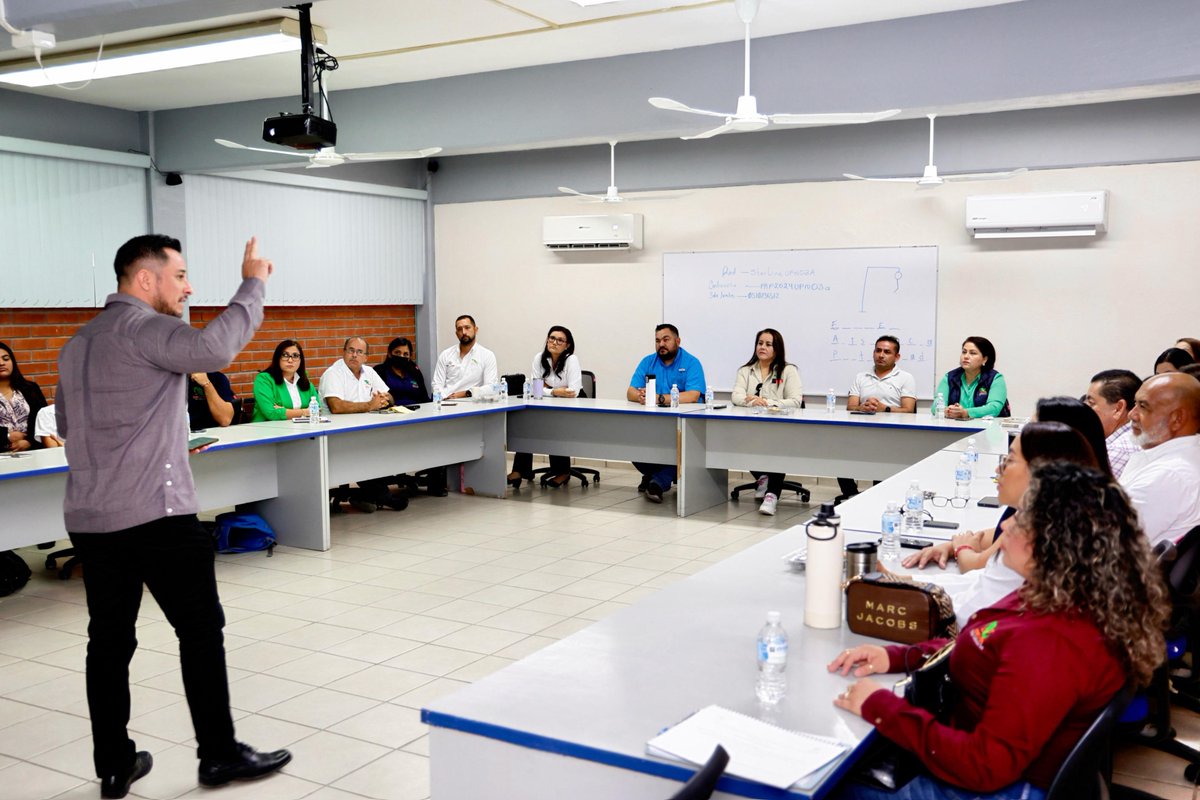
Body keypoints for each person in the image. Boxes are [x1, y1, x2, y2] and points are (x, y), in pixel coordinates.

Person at [56, 235, 291, 798]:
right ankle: (219, 755)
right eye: (180, 275)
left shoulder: (76, 344)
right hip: (156, 516)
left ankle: (113, 765)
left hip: (91, 519)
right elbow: (214, 350)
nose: (188, 288)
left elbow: (71, 423)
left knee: (108, 643)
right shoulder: (146, 329)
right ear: (145, 279)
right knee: (201, 632)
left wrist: (152, 444)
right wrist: (253, 283)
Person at [829, 461, 1167, 800]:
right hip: (982, 761)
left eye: (1020, 520)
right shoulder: (1058, 593)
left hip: (996, 787)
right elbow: (983, 638)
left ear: (1052, 542)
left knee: (827, 786)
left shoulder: (1051, 642)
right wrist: (898, 657)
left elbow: (984, 766)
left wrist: (883, 706)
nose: (1005, 527)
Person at [320, 337, 407, 512]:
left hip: (364, 429)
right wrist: (369, 405)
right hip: (335, 434)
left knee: (382, 448)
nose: (354, 355)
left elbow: (389, 397)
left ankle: (367, 495)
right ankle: (383, 496)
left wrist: (384, 401)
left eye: (360, 352)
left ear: (366, 357)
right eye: (350, 350)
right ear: (343, 352)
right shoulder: (333, 373)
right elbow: (336, 407)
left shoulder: (369, 372)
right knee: (363, 452)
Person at [625, 323, 706, 503]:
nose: (661, 344)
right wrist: (641, 395)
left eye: (666, 339)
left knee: (679, 451)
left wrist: (659, 398)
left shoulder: (691, 363)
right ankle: (655, 475)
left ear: (677, 341)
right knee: (633, 445)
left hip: (685, 426)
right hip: (654, 424)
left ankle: (658, 482)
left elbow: (693, 395)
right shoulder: (648, 361)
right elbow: (630, 391)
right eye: (657, 340)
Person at [1120, 372, 1200, 546]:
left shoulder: (1170, 475)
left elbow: (1106, 540)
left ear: (1177, 419)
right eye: (1135, 403)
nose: (1131, 415)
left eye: (1143, 406)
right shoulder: (1177, 458)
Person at [729, 328, 802, 515]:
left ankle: (772, 495)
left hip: (779, 429)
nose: (763, 347)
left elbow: (795, 401)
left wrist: (768, 403)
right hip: (751, 427)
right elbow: (736, 396)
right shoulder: (746, 371)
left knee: (777, 449)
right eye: (760, 343)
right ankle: (762, 477)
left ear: (777, 349)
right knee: (733, 442)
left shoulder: (788, 371)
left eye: (768, 344)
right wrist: (751, 400)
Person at [838, 335, 917, 502]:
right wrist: (862, 407)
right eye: (878, 350)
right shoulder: (861, 376)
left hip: (892, 433)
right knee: (838, 451)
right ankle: (851, 494)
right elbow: (850, 407)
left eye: (887, 352)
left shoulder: (905, 378)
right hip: (861, 430)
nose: (881, 355)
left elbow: (909, 410)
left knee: (882, 460)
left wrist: (885, 409)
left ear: (897, 357)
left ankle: (878, 495)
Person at [508, 325, 583, 489]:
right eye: (551, 338)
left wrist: (547, 389)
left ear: (567, 345)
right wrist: (556, 391)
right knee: (526, 423)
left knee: (555, 425)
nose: (554, 342)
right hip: (545, 404)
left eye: (560, 340)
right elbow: (535, 389)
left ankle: (563, 471)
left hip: (569, 408)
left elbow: (574, 391)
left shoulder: (571, 360)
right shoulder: (539, 359)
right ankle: (520, 470)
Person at [934, 336, 1010, 419]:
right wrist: (948, 411)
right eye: (964, 352)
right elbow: (935, 407)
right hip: (955, 428)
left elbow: (994, 408)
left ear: (985, 359)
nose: (966, 356)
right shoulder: (950, 377)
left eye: (973, 353)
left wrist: (966, 413)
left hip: (988, 428)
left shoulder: (995, 378)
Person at [1084, 368, 1142, 477]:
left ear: (1118, 408)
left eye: (1091, 403)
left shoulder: (1118, 450)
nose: (1084, 409)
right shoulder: (1133, 438)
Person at [431, 314, 498, 399]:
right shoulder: (446, 355)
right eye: (459, 329)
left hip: (473, 404)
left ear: (476, 330)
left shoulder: (487, 355)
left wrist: (467, 393)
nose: (464, 332)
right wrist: (445, 398)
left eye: (467, 327)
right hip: (447, 404)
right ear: (456, 333)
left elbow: (491, 387)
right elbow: (436, 384)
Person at [251, 339, 318, 421]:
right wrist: (305, 412)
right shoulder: (264, 379)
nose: (290, 360)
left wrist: (284, 411)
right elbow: (271, 413)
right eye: (285, 355)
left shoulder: (303, 379)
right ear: (277, 358)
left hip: (300, 429)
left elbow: (318, 409)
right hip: (268, 431)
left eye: (295, 356)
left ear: (301, 360)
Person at [0, 342, 48, 452]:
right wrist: (6, 436)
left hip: (34, 453)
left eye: (6, 359)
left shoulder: (31, 389)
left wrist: (29, 441)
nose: (1, 363)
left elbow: (44, 420)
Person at [376, 336, 430, 407]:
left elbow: (424, 398)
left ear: (409, 357)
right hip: (391, 413)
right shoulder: (380, 371)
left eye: (405, 354)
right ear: (389, 353)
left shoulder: (415, 371)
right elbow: (379, 398)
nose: (401, 356)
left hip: (416, 411)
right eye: (397, 353)